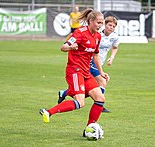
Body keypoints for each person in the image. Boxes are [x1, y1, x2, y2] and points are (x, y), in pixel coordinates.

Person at [40, 8, 108, 137]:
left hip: (86, 72)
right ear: (91, 21)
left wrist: (101, 72)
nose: (100, 26)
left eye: (102, 23)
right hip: (75, 71)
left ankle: (89, 129)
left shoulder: (98, 36)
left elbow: (96, 55)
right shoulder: (80, 32)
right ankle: (48, 112)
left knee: (100, 98)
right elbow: (63, 47)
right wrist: (71, 47)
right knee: (80, 103)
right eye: (98, 23)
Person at [58, 16, 119, 113]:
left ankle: (65, 93)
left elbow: (115, 48)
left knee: (85, 88)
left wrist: (111, 57)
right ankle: (99, 103)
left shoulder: (114, 37)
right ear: (105, 25)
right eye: (109, 25)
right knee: (102, 81)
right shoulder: (97, 34)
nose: (111, 27)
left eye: (113, 26)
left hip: (98, 63)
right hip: (89, 63)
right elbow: (91, 51)